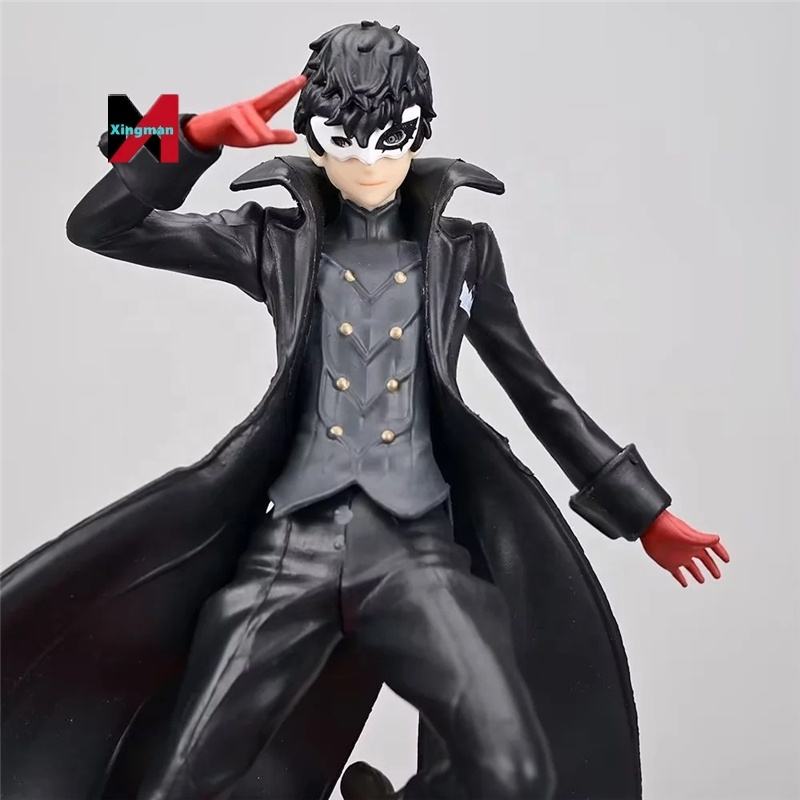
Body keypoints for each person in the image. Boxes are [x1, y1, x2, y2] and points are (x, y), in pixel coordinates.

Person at [1, 20, 729, 800]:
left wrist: (643, 512)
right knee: (177, 783)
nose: (370, 162)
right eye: (345, 142)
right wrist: (192, 131)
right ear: (313, 140)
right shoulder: (273, 242)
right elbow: (99, 224)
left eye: (392, 139)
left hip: (417, 554)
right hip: (291, 552)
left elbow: (540, 392)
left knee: (514, 772)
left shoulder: (464, 253)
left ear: (420, 131)